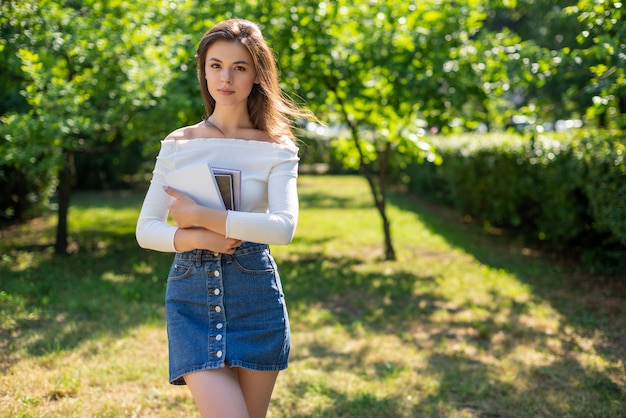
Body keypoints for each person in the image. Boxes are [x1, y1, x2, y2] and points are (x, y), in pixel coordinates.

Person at [136, 18, 313, 418]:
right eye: (215, 65)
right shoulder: (179, 143)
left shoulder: (277, 148)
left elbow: (283, 228)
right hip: (192, 295)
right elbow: (146, 230)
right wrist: (202, 238)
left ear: (257, 74)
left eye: (239, 67)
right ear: (203, 70)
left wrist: (201, 216)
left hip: (256, 293)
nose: (225, 78)